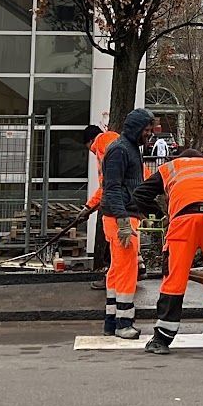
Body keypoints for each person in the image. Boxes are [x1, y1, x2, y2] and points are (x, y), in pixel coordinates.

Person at [133, 149, 203, 355]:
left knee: (174, 279)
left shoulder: (171, 168)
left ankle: (162, 340)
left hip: (183, 220)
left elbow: (140, 194)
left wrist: (160, 213)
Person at [99, 108, 157, 338]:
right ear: (136, 129)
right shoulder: (121, 150)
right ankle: (124, 323)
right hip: (119, 219)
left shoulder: (127, 148)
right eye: (147, 130)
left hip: (121, 216)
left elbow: (123, 186)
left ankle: (112, 321)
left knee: (117, 270)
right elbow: (111, 188)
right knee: (126, 270)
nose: (149, 134)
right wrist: (124, 219)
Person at [83, 124, 119, 290]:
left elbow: (107, 184)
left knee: (113, 240)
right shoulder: (115, 139)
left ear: (91, 141)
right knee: (126, 240)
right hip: (134, 193)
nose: (91, 152)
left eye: (89, 148)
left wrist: (88, 207)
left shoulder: (102, 143)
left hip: (119, 200)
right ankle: (138, 268)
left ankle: (110, 277)